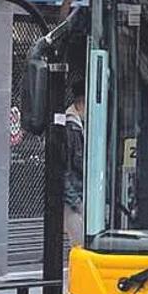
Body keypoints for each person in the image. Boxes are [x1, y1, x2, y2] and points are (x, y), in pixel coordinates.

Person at [63, 79, 86, 247]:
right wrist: (76, 201)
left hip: (79, 198)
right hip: (75, 200)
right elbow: (63, 171)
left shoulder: (81, 126)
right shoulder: (70, 128)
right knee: (78, 245)